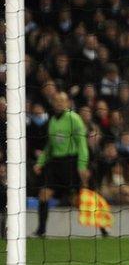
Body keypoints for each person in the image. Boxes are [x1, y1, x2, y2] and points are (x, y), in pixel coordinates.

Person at [33, 91, 90, 237]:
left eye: (62, 100)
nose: (59, 103)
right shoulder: (52, 120)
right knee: (43, 194)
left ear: (67, 103)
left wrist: (82, 166)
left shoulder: (74, 119)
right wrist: (40, 162)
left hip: (71, 162)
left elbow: (82, 144)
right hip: (56, 164)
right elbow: (49, 146)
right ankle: (41, 231)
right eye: (56, 100)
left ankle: (102, 228)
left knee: (78, 200)